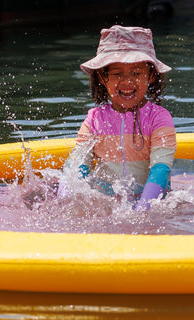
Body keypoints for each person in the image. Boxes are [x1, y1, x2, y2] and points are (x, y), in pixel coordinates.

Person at [74, 25, 176, 210]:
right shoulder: (94, 119)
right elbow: (77, 166)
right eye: (117, 74)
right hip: (107, 204)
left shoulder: (159, 118)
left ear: (151, 75)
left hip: (152, 203)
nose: (127, 82)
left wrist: (142, 210)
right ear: (102, 78)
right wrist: (66, 201)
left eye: (136, 73)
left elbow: (160, 169)